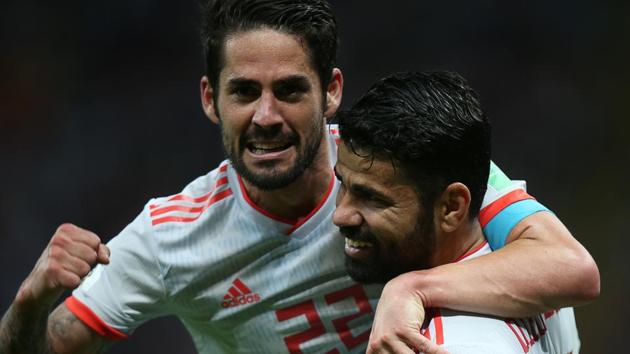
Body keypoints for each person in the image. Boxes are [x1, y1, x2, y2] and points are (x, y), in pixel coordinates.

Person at [0, 1, 598, 353]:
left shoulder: (404, 162)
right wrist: (28, 304)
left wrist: (408, 289)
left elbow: (570, 268)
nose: (266, 117)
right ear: (210, 99)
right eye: (243, 93)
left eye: (288, 90)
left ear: (330, 91)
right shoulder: (168, 239)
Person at [333, 71, 582, 353]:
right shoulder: (528, 263)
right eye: (342, 183)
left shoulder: (448, 343)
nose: (340, 216)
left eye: (372, 198)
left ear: (452, 207)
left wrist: (411, 286)